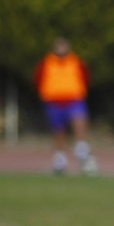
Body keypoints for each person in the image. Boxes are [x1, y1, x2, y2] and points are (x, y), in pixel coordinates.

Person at [34, 37, 97, 176]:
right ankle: (60, 160)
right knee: (59, 132)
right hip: (54, 102)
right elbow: (38, 79)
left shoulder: (76, 61)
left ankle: (82, 153)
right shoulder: (46, 62)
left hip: (74, 100)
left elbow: (86, 78)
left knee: (80, 124)